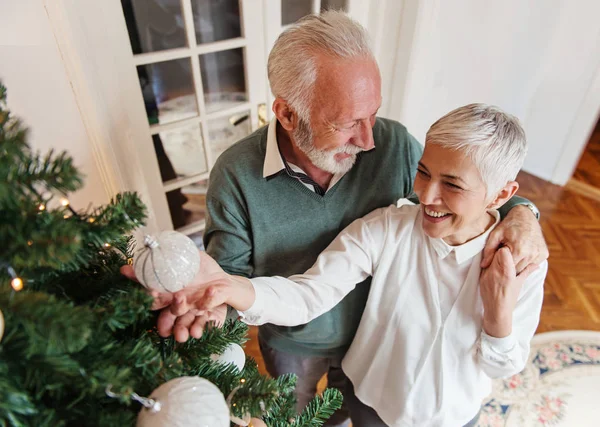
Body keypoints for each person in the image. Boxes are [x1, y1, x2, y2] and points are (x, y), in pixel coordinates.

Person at [122, 11, 548, 427]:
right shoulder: (240, 176)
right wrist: (217, 296)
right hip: (298, 343)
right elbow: (278, 287)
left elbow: (472, 185)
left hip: (372, 340)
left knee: (342, 411)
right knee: (299, 414)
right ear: (288, 115)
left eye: (373, 115)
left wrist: (522, 214)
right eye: (348, 124)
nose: (368, 140)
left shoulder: (393, 144)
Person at [179, 104, 548, 426]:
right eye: (423, 172)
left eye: (451, 185)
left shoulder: (522, 264)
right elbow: (310, 293)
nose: (426, 195)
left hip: (453, 417)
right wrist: (231, 286)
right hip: (371, 402)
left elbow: (505, 366)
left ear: (501, 195)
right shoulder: (387, 227)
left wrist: (498, 318)